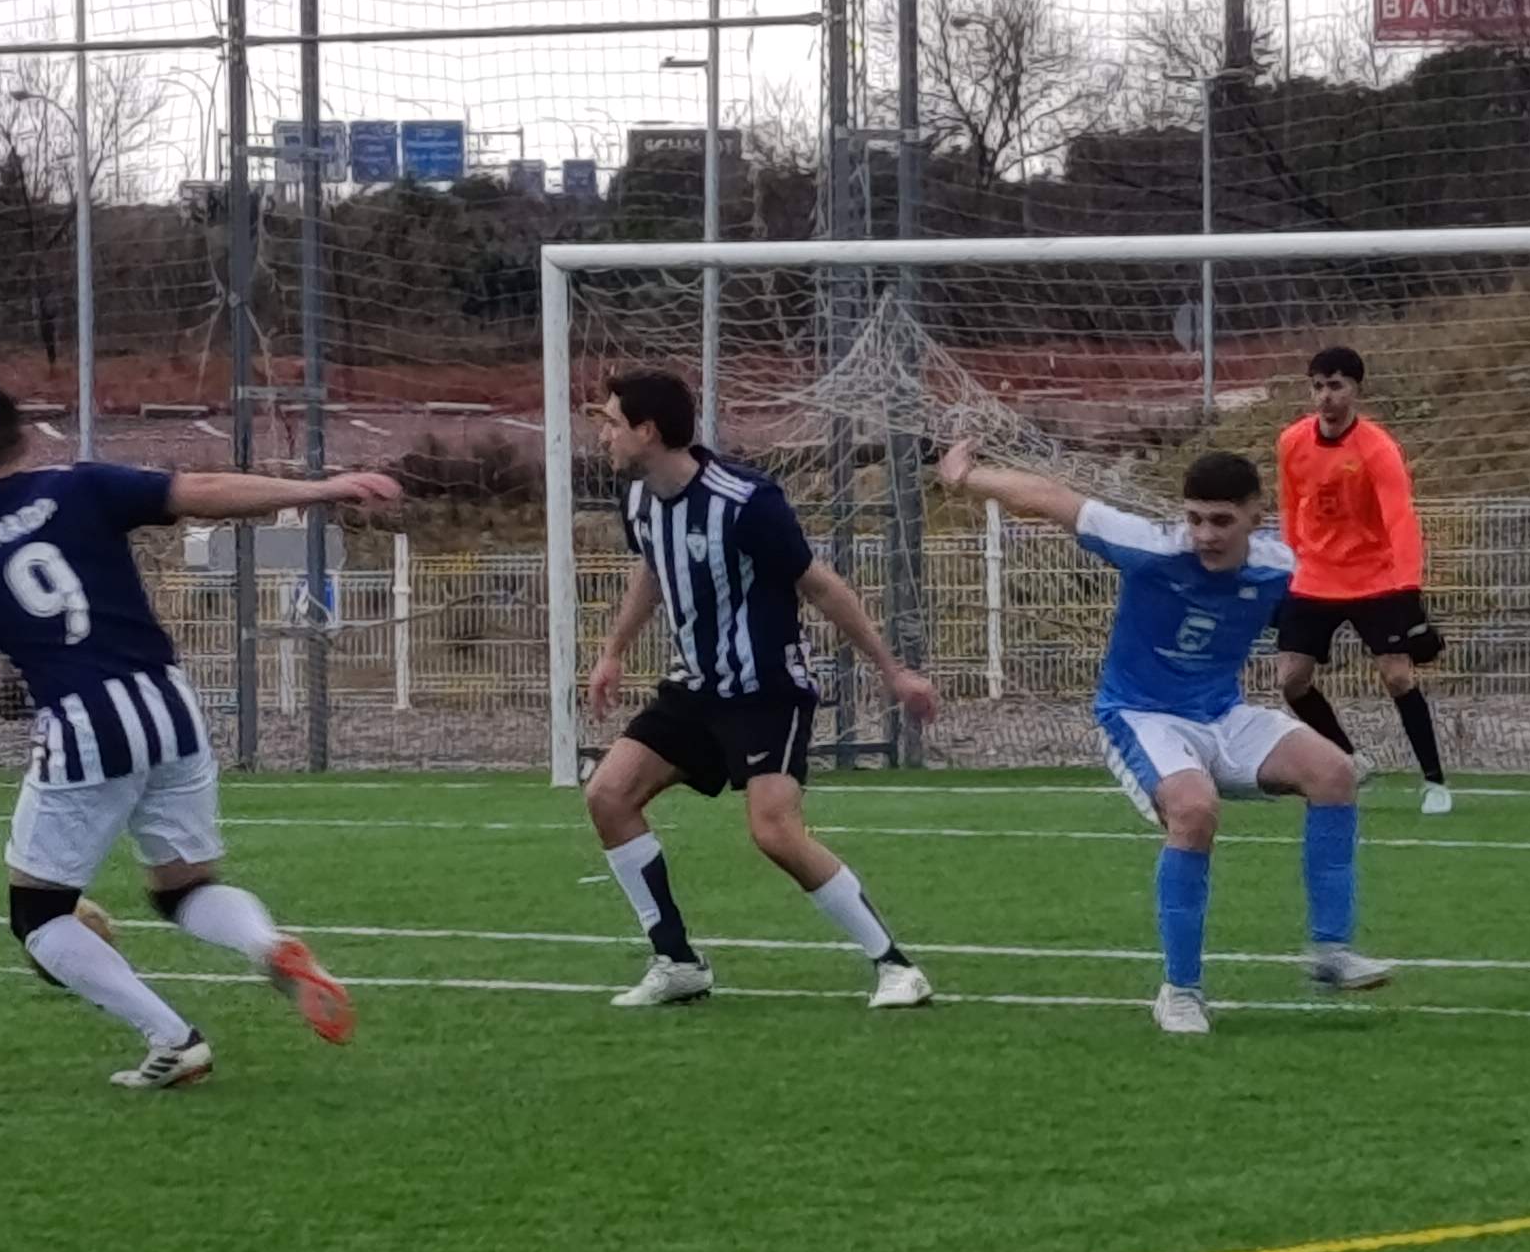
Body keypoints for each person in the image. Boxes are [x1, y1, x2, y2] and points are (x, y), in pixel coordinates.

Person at [0, 382, 393, 1090]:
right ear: (23, 435)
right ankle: (265, 943)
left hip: (84, 720)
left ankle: (173, 1040)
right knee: (183, 889)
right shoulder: (80, 486)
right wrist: (321, 489)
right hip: (168, 702)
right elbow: (203, 489)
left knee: (38, 915)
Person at [936, 436, 1387, 1035]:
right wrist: (965, 477)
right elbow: (1051, 499)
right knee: (1195, 811)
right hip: (1141, 715)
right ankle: (1180, 991)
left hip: (1222, 714)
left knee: (1334, 772)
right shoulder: (1148, 547)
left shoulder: (1281, 567)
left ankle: (1331, 953)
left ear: (1256, 515)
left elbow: (1349, 584)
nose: (1205, 534)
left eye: (1221, 521)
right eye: (1195, 519)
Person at [579, 368, 940, 1011]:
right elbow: (653, 570)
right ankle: (677, 961)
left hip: (766, 689)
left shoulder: (746, 501)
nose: (601, 435)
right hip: (695, 688)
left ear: (647, 430)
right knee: (607, 795)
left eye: (610, 422)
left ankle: (895, 966)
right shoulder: (638, 500)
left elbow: (820, 585)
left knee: (774, 831)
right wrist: (613, 652)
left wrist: (893, 671)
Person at [1272, 344, 1454, 813]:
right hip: (1314, 576)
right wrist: (1287, 566)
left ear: (1355, 389)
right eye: (1318, 386)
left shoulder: (1377, 448)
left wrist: (1408, 591)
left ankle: (1434, 782)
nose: (1325, 396)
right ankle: (1351, 760)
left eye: (1335, 386)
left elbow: (1400, 519)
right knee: (1291, 680)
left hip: (1375, 578)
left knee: (1397, 676)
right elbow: (1290, 507)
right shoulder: (1292, 441)